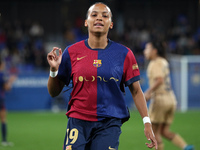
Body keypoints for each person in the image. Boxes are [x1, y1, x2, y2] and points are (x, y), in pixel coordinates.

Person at [47, 2, 157, 150]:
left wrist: (147, 122)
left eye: (105, 16)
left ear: (111, 24)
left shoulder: (124, 54)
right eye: (94, 15)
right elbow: (54, 92)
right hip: (78, 121)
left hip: (109, 123)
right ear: (86, 22)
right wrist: (54, 71)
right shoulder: (71, 52)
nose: (99, 18)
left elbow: (136, 91)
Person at [143, 41, 194, 150]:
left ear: (154, 51)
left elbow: (160, 80)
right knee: (164, 131)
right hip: (171, 99)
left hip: (160, 99)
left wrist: (147, 92)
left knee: (154, 132)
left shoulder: (155, 62)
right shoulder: (164, 61)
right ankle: (185, 147)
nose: (144, 51)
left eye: (147, 49)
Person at [0, 58, 17, 146]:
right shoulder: (2, 74)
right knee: (3, 120)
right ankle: (4, 140)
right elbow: (7, 88)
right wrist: (10, 81)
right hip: (0, 99)